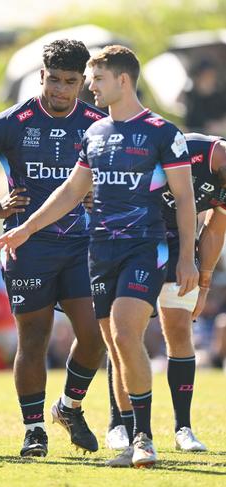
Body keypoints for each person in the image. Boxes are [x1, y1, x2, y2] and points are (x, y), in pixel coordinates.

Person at [0, 45, 198, 468]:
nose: (89, 87)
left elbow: (184, 198)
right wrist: (24, 228)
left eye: (95, 79)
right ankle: (126, 435)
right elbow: (70, 191)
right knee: (113, 344)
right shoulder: (95, 133)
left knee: (124, 334)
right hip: (99, 251)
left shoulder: (163, 133)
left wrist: (188, 258)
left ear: (122, 80)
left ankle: (143, 438)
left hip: (144, 247)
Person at [0, 39, 107, 456]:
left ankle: (69, 406)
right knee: (33, 338)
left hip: (82, 245)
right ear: (41, 76)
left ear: (82, 83)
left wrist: (99, 195)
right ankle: (33, 429)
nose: (59, 89)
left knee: (95, 336)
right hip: (27, 246)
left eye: (70, 82)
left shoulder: (98, 121)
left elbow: (118, 172)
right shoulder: (11, 122)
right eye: (53, 79)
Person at [105, 133, 226, 453]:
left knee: (178, 328)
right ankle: (119, 422)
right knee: (126, 331)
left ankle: (183, 427)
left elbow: (215, 227)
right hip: (135, 237)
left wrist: (203, 284)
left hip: (178, 245)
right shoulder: (186, 147)